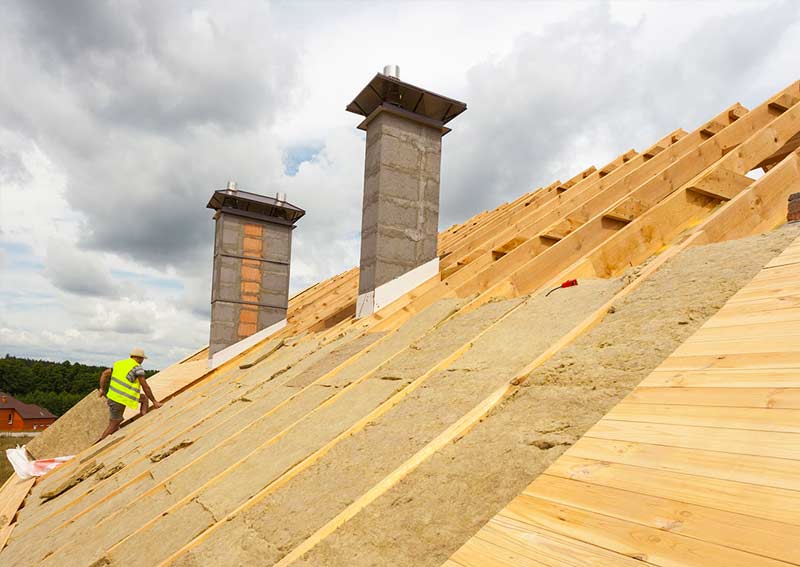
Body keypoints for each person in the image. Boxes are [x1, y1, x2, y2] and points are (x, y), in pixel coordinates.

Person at [97, 348, 161, 441]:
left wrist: (102, 389)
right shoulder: (137, 368)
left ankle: (144, 418)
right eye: (142, 359)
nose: (142, 361)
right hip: (120, 399)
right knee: (115, 423)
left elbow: (104, 374)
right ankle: (101, 444)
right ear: (140, 358)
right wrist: (155, 402)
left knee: (144, 399)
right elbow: (145, 386)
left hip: (114, 397)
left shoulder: (119, 364)